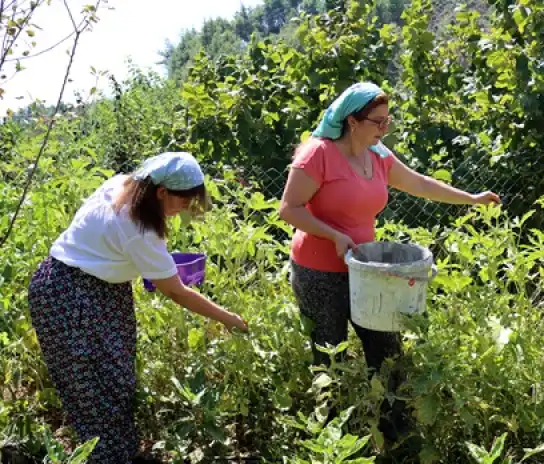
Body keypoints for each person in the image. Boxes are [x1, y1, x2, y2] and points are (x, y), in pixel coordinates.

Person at [279, 82, 499, 438]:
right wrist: (333, 235)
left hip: (368, 271)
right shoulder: (317, 154)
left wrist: (471, 199)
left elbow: (423, 184)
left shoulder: (378, 156)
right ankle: (327, 438)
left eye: (387, 121)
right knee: (329, 354)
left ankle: (395, 435)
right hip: (319, 270)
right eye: (377, 122)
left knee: (388, 352)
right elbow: (288, 210)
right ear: (352, 120)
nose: (385, 129)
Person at [27, 152, 248, 464]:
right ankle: (107, 458)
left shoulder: (122, 185)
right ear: (161, 192)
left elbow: (116, 250)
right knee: (94, 392)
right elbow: (177, 292)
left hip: (91, 288)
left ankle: (120, 455)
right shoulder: (138, 227)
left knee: (115, 382)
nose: (182, 210)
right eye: (182, 203)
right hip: (69, 297)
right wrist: (229, 318)